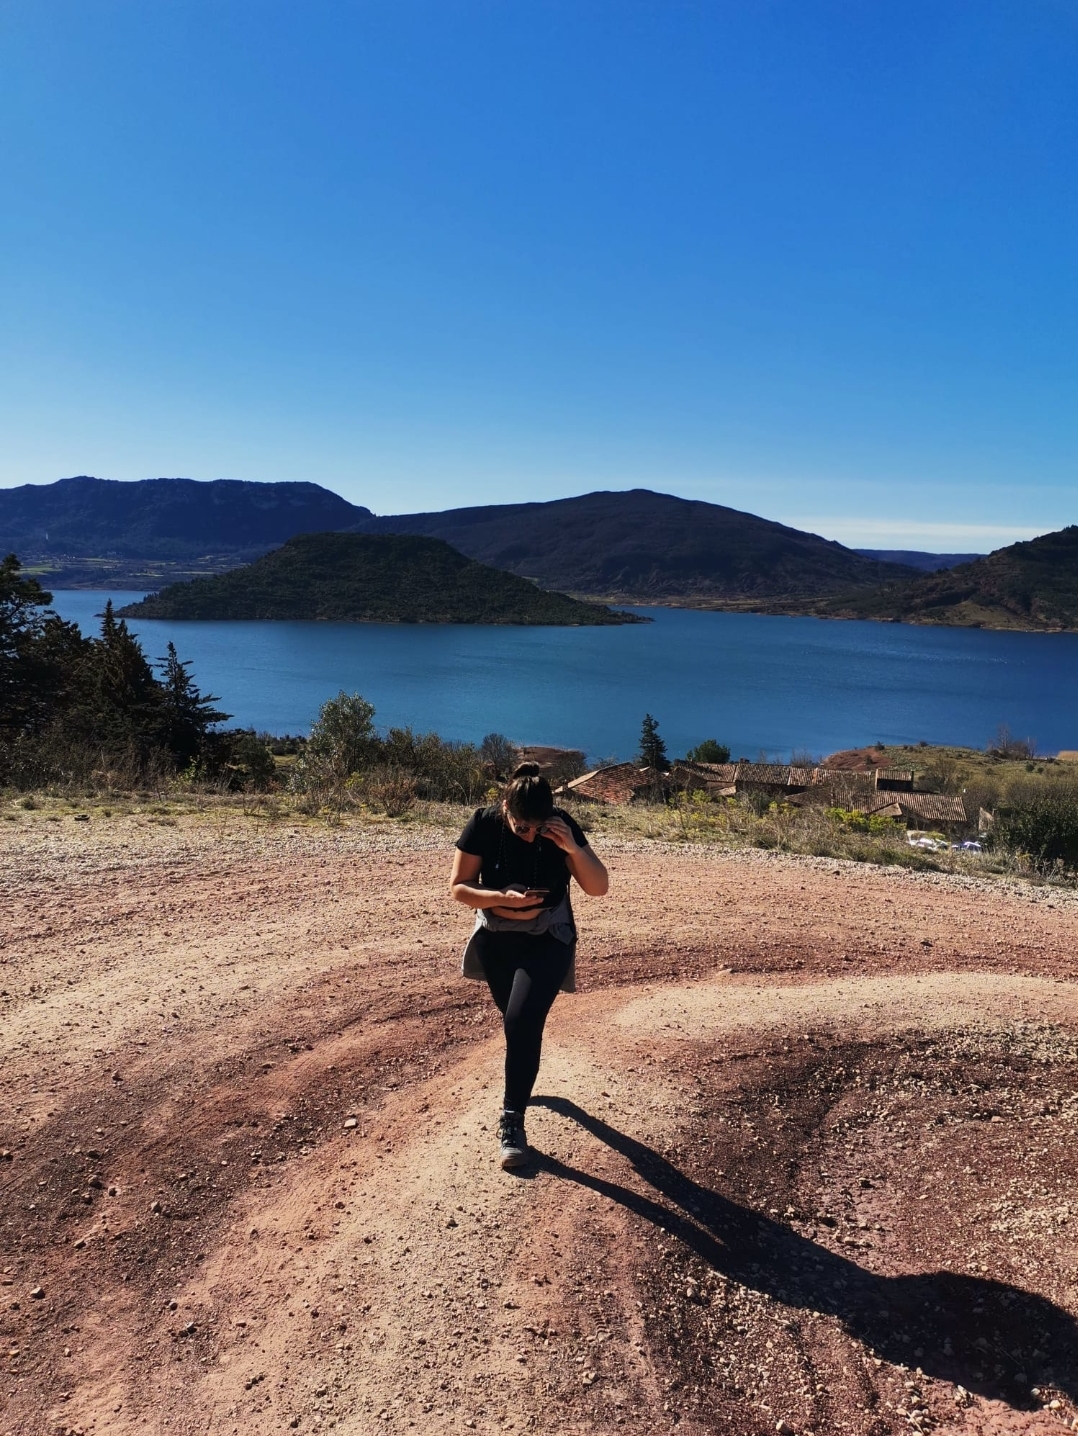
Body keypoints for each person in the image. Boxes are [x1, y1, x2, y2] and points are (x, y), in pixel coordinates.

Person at [450, 762, 609, 1168]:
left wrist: (572, 848)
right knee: (516, 1023)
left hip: (549, 937)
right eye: (522, 827)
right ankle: (523, 1077)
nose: (531, 835)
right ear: (506, 808)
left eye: (539, 828)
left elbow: (598, 887)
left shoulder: (560, 828)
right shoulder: (484, 823)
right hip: (497, 938)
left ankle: (512, 1121)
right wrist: (501, 898)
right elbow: (459, 888)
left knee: (522, 1021)